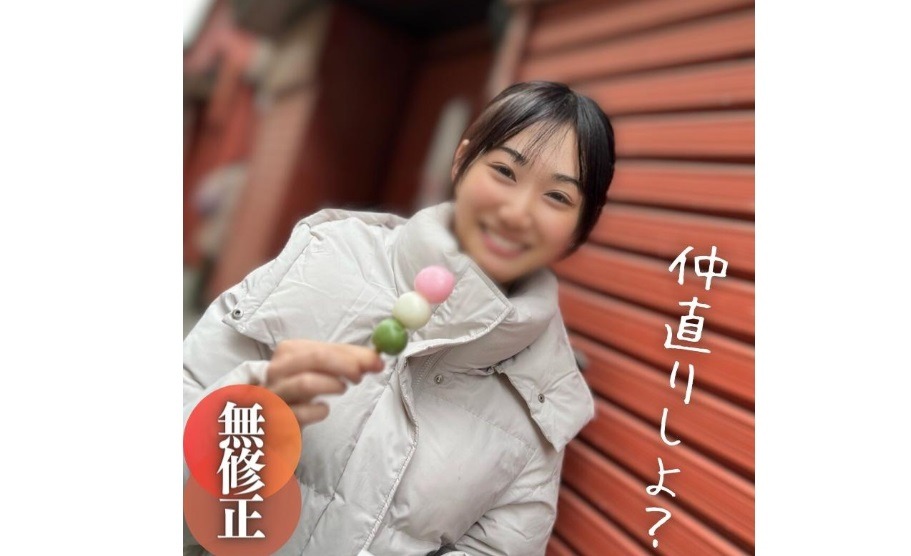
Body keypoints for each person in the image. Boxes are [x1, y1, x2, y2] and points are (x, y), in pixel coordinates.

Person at [183, 81, 616, 556]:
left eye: (557, 197)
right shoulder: (325, 257)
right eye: (504, 171)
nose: (517, 213)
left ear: (581, 227)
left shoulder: (546, 396)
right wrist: (246, 420)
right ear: (462, 161)